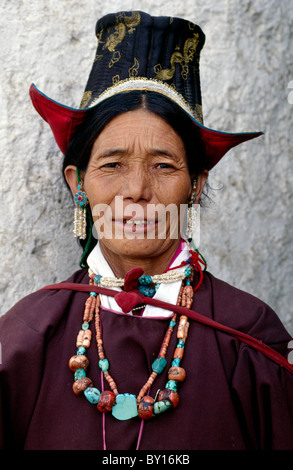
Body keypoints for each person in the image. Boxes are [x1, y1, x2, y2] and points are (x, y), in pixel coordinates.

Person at [1, 10, 293, 451]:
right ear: (78, 184)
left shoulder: (248, 340)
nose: (136, 191)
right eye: (112, 165)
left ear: (195, 186)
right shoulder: (26, 337)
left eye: (163, 166)